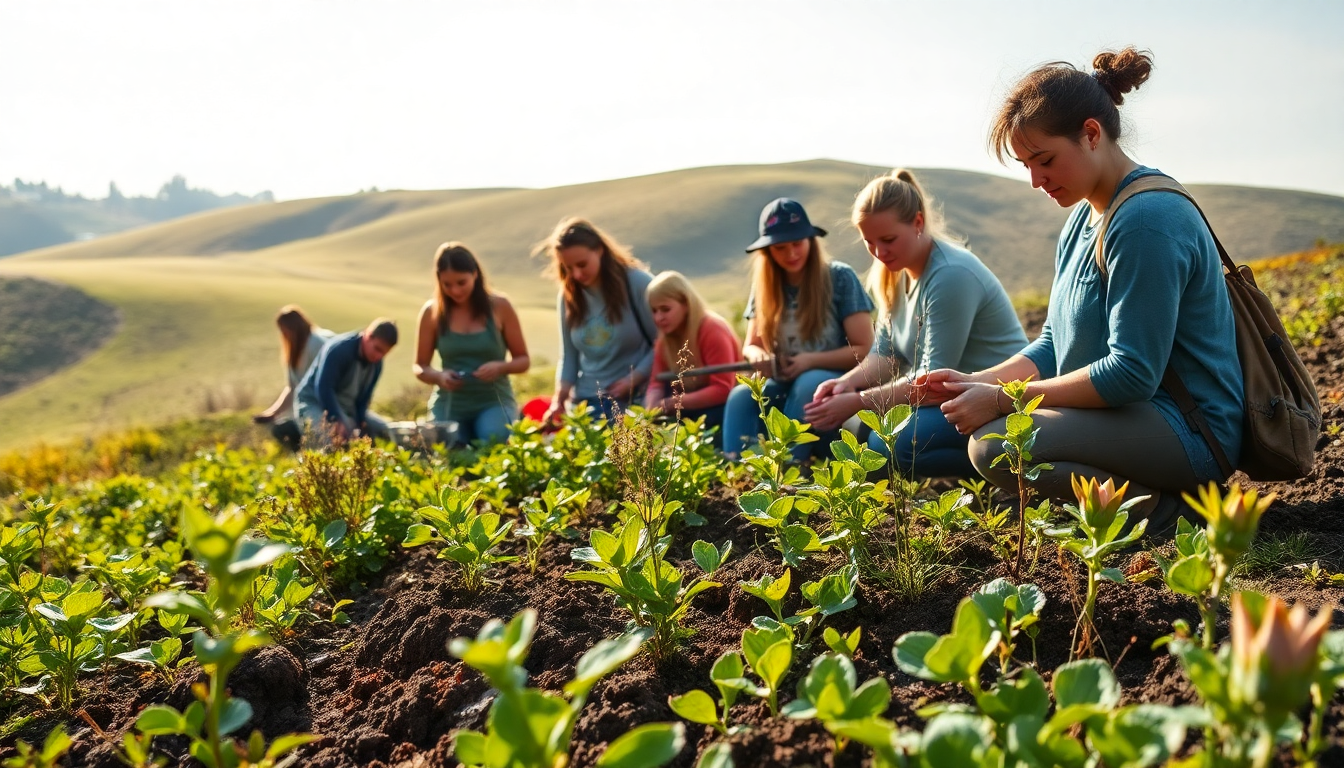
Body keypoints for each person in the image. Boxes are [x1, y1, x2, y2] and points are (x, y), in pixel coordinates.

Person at [922, 47, 1243, 529]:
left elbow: (1132, 373)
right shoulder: (1083, 218)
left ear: (1091, 134)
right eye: (1025, 164)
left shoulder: (1146, 221)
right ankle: (1114, 504)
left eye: (1044, 159)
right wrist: (978, 382)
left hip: (1190, 430)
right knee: (996, 440)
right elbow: (1054, 343)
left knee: (996, 446)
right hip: (1136, 417)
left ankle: (1172, 513)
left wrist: (1001, 400)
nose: (1035, 180)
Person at [803, 170, 1027, 478]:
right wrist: (848, 382)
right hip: (953, 402)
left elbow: (932, 383)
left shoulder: (951, 275)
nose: (879, 253)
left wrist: (857, 402)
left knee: (893, 445)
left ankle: (1002, 470)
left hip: (998, 402)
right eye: (869, 243)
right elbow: (886, 354)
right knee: (871, 437)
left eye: (889, 240)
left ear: (918, 223)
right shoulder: (897, 273)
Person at [721, 198, 874, 459]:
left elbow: (865, 348)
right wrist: (759, 356)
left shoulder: (839, 277)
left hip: (834, 387)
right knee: (740, 396)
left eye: (797, 244)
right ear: (768, 252)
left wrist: (809, 361)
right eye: (780, 247)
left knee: (809, 381)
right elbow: (752, 344)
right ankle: (737, 473)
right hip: (782, 384)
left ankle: (789, 468)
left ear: (810, 241)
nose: (791, 254)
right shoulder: (764, 287)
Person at [537, 218, 657, 423]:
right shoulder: (568, 295)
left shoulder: (637, 282)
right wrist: (559, 400)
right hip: (585, 400)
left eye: (582, 264)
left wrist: (634, 378)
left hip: (632, 396)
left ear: (600, 250)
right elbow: (569, 356)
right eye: (568, 268)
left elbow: (664, 341)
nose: (576, 274)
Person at [412, 242, 530, 444]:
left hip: (493, 399)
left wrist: (500, 367)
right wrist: (439, 377)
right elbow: (420, 366)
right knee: (445, 446)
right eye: (447, 285)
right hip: (450, 402)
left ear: (475, 274)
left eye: (461, 282)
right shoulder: (431, 312)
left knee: (493, 441)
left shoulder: (500, 306)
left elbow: (523, 360)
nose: (455, 291)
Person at [642, 271, 743, 429]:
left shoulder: (713, 330)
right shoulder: (665, 339)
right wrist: (652, 407)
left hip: (723, 411)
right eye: (654, 311)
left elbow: (723, 388)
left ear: (686, 304)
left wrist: (676, 402)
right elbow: (656, 382)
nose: (658, 318)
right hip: (689, 410)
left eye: (665, 309)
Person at [294, 318, 399, 448]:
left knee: (384, 431)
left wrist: (361, 423)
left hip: (346, 408)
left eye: (384, 353)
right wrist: (336, 419)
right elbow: (324, 388)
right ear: (367, 335)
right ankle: (294, 435)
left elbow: (364, 399)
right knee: (330, 439)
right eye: (377, 349)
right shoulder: (339, 349)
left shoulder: (376, 364)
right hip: (314, 403)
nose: (379, 356)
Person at [253, 305, 335, 450]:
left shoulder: (316, 343)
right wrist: (272, 413)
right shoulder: (294, 351)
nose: (282, 334)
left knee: (325, 444)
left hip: (326, 411)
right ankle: (307, 462)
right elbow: (292, 387)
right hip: (307, 414)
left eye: (284, 329)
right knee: (280, 429)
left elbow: (331, 380)